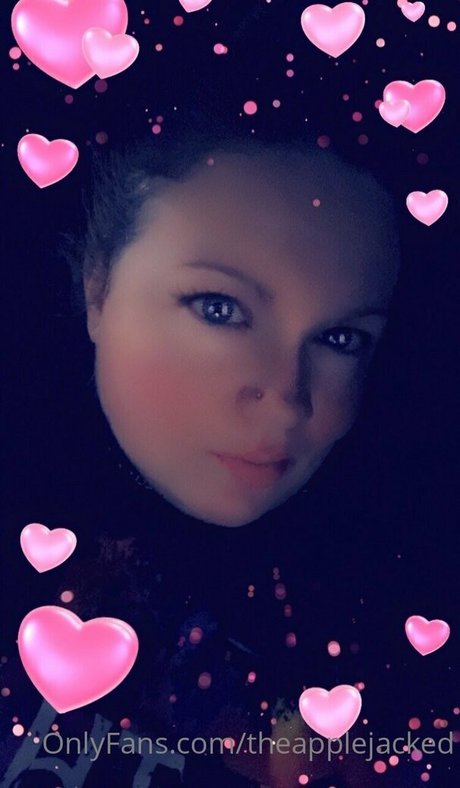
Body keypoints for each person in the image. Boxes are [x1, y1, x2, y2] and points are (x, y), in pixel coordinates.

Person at [1, 125, 455, 788]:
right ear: (97, 288)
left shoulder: (393, 636)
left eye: (340, 338)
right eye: (219, 308)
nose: (287, 401)